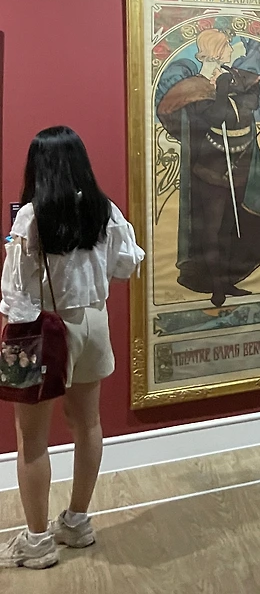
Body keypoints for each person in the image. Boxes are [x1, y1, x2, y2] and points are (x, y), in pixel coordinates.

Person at [0, 127, 144, 570]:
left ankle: (37, 541)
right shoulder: (104, 209)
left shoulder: (31, 216)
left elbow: (16, 291)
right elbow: (127, 263)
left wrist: (11, 339)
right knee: (88, 424)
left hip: (42, 326)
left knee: (32, 439)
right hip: (94, 322)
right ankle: (77, 521)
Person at [155, 28, 260, 308]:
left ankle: (226, 281)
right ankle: (216, 287)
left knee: (228, 227)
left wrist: (230, 85)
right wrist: (222, 88)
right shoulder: (195, 87)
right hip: (209, 171)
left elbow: (252, 100)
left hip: (237, 167)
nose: (231, 50)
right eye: (227, 46)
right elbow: (215, 117)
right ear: (215, 51)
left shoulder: (232, 76)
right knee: (212, 230)